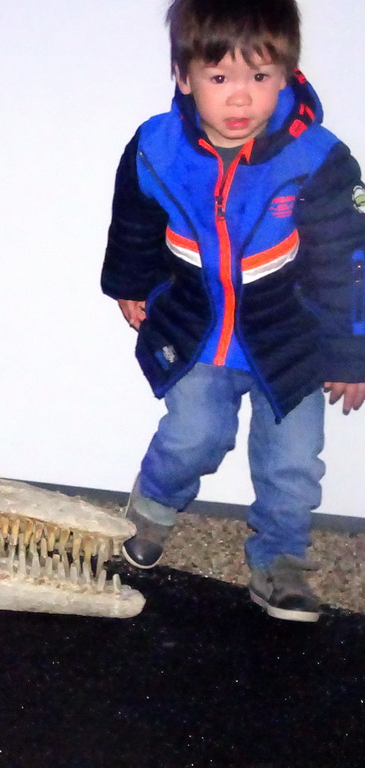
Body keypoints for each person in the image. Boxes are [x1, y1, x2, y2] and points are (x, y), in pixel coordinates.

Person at [101, 0, 365, 622]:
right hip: (198, 331)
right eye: (221, 78)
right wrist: (130, 282)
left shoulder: (320, 159)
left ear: (289, 76)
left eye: (261, 77)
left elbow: (347, 262)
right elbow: (133, 221)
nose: (241, 99)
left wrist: (351, 353)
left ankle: (281, 563)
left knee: (293, 463)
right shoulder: (157, 147)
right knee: (195, 436)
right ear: (184, 76)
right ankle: (151, 512)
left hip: (291, 339)